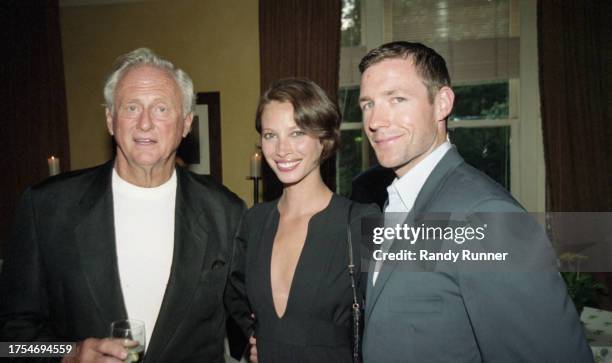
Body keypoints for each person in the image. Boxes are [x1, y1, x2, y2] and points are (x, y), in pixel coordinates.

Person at [0, 48, 251, 362]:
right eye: (132, 107)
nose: (145, 123)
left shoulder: (226, 213)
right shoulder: (47, 207)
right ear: (110, 119)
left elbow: (252, 320)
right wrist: (69, 353)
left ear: (186, 124)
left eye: (161, 109)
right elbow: (11, 341)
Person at [358, 41, 593, 362]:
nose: (375, 121)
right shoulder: (396, 199)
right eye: (367, 104)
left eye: (397, 99)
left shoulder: (486, 215)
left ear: (442, 104)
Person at [242, 78, 379, 362]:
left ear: (324, 140)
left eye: (297, 133)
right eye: (270, 135)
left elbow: (402, 316)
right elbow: (234, 301)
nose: (281, 149)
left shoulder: (363, 221)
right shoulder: (254, 222)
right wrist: (255, 341)